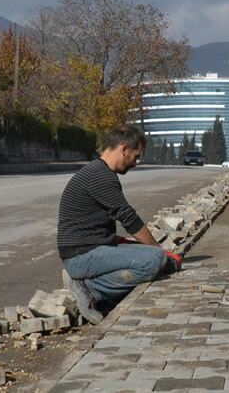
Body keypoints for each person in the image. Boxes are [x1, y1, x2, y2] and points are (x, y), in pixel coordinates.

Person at [57, 124, 181, 324]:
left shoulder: (98, 171)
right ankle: (91, 290)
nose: (136, 162)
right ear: (124, 149)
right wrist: (162, 255)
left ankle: (101, 290)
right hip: (81, 256)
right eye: (136, 156)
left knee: (151, 257)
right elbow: (129, 219)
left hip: (89, 249)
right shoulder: (100, 176)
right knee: (153, 260)